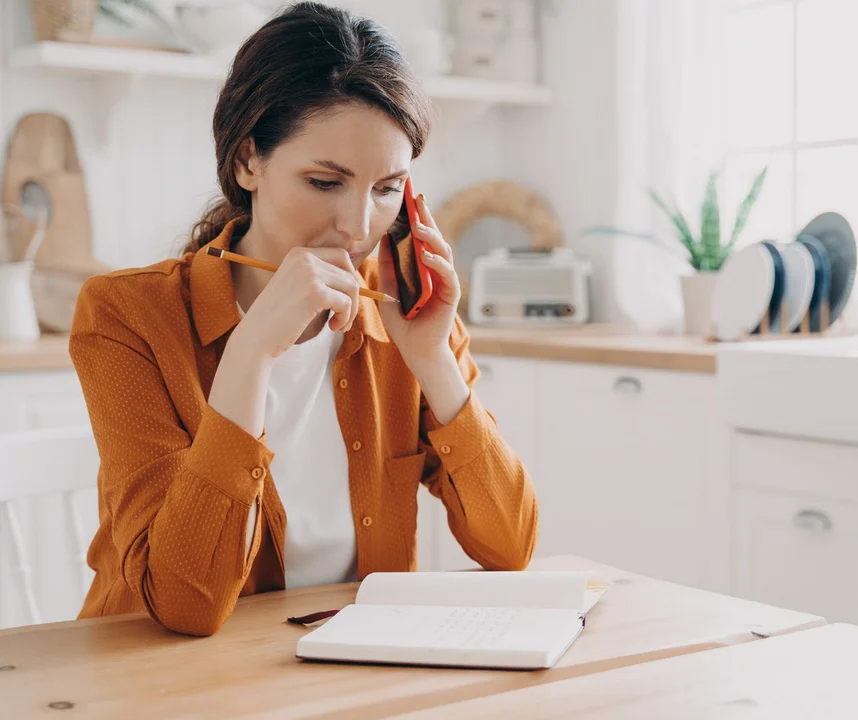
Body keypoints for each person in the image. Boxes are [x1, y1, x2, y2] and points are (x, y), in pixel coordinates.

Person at [70, 2, 538, 637]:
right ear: (247, 163)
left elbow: (510, 547)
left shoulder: (409, 313)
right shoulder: (126, 314)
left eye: (386, 189)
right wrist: (254, 347)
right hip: (160, 675)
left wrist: (430, 358)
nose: (358, 226)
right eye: (325, 182)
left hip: (342, 671)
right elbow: (186, 605)